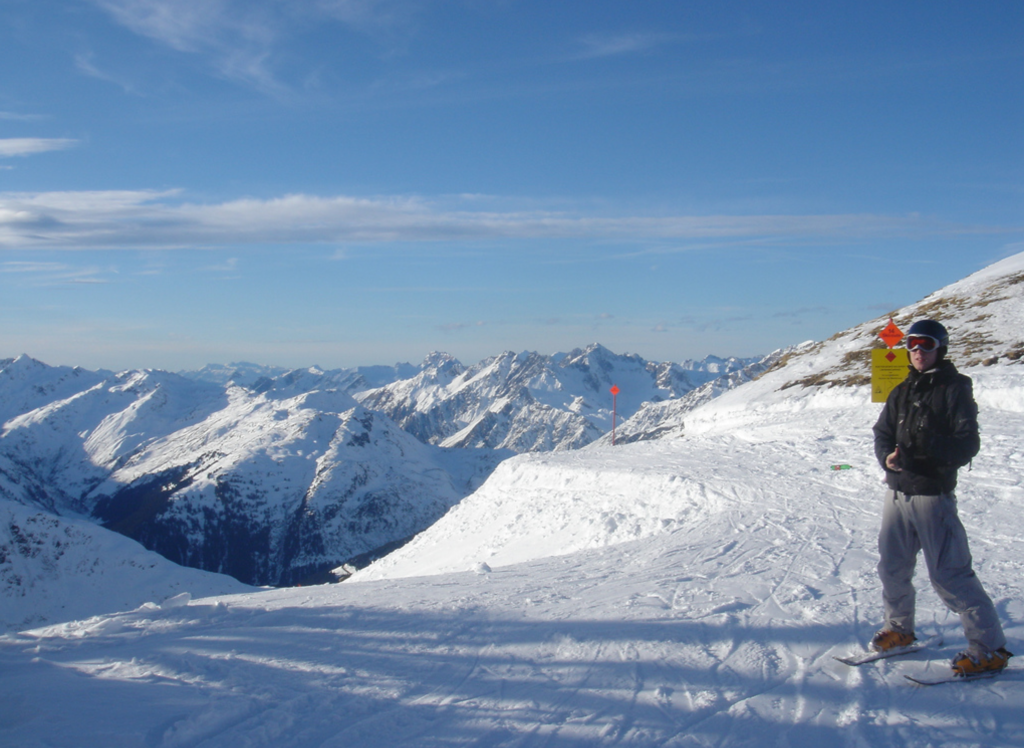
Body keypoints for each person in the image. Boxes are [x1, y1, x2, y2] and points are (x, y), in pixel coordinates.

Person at [871, 319, 1012, 675]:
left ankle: (988, 648)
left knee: (950, 575)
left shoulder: (954, 388)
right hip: (898, 492)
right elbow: (882, 431)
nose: (917, 352)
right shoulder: (902, 389)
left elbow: (968, 443)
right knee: (892, 567)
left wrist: (926, 447)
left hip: (933, 494)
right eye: (912, 346)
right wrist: (887, 456)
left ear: (941, 349)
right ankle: (899, 629)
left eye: (926, 345)